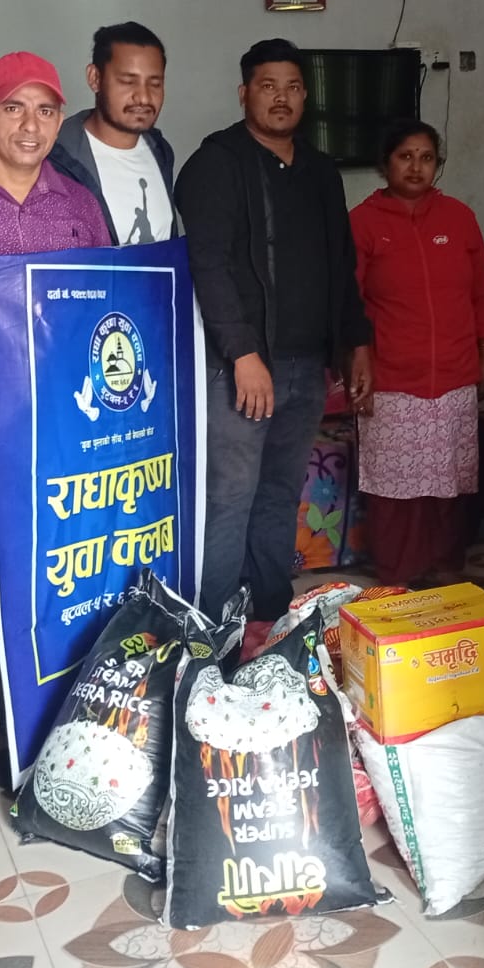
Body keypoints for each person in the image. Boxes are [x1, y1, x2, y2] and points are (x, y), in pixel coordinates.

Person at [0, 52, 111, 727]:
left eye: (45, 110)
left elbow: (109, 298)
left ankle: (76, 707)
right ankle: (12, 724)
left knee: (71, 562)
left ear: (60, 120)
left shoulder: (80, 204)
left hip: (70, 423)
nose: (30, 126)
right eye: (13, 108)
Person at [176, 38, 373, 619]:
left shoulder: (320, 170)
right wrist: (243, 353)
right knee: (229, 498)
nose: (280, 98)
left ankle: (267, 614)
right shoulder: (217, 164)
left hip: (306, 367)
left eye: (291, 87)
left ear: (305, 95)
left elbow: (341, 265)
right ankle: (213, 627)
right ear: (244, 94)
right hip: (239, 368)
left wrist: (356, 342)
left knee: (280, 494)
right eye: (268, 86)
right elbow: (208, 265)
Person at [350, 120, 484, 585]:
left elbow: (482, 293)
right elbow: (349, 301)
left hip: (455, 376)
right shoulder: (363, 222)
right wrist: (358, 361)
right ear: (386, 163)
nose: (416, 167)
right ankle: (398, 578)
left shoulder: (459, 217)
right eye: (405, 156)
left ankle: (446, 571)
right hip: (392, 379)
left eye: (427, 157)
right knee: (394, 489)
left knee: (449, 483)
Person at [51, 22, 177, 244]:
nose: (143, 97)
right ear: (95, 78)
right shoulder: (56, 158)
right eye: (128, 82)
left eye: (155, 84)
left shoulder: (161, 151)